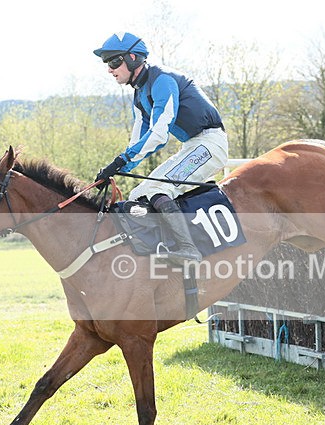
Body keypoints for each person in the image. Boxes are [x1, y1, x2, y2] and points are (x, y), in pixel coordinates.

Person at [93, 32, 228, 264]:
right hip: (193, 145)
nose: (110, 69)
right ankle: (162, 250)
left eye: (114, 62)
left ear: (133, 58)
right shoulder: (139, 95)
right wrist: (116, 167)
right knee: (138, 194)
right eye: (107, 64)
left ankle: (189, 249)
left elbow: (158, 134)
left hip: (210, 144)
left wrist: (121, 160)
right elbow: (137, 142)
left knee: (158, 190)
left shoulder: (162, 80)